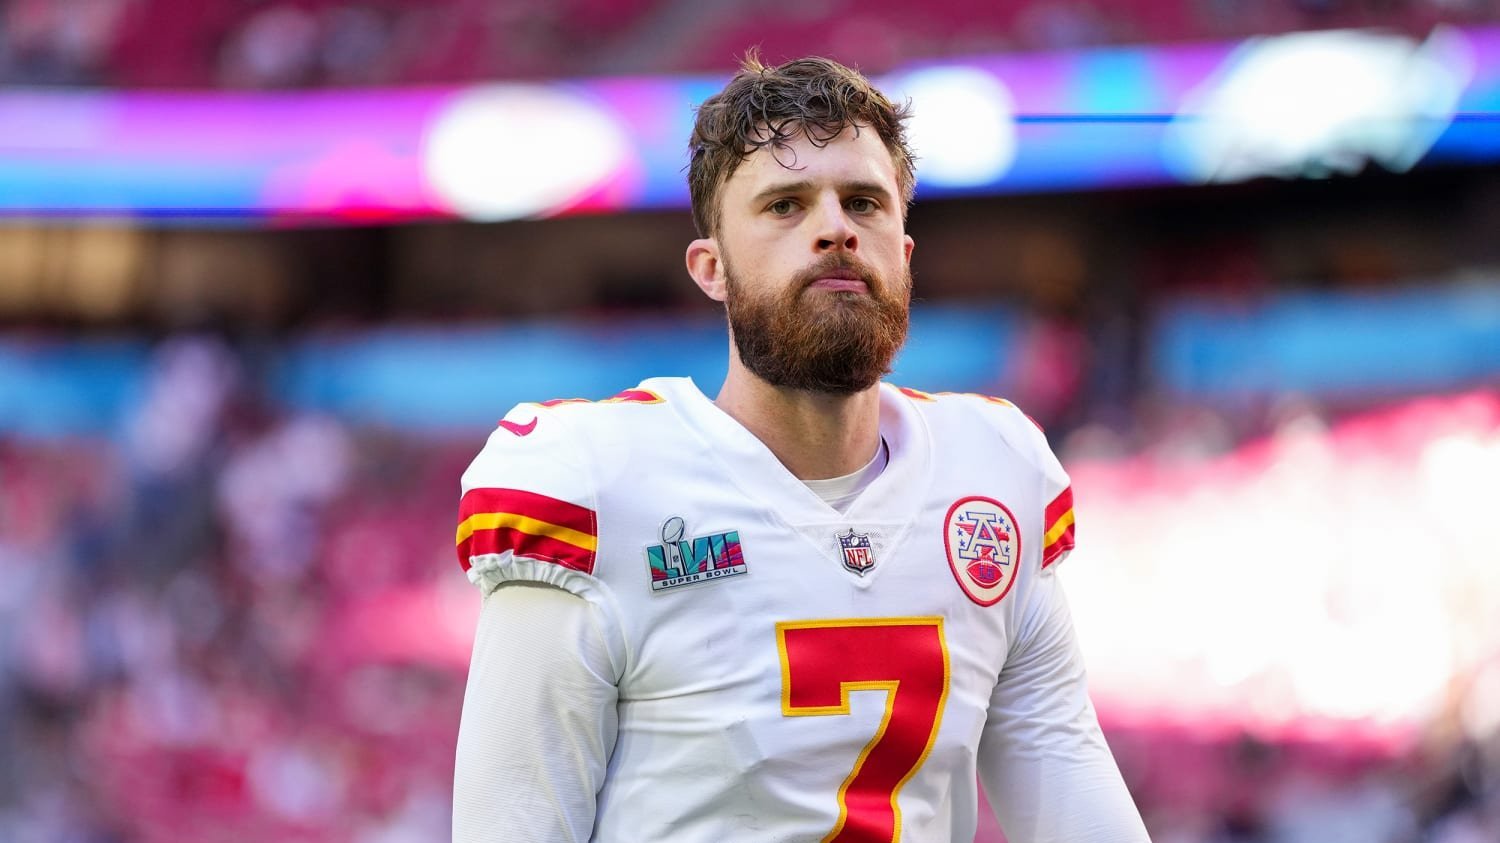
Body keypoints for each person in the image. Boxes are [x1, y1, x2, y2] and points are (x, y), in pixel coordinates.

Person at [451, 53, 1151, 843]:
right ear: (712, 268)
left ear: (904, 254)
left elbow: (1066, 779)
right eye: (785, 204)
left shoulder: (993, 469)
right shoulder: (595, 482)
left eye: (864, 202)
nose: (836, 228)